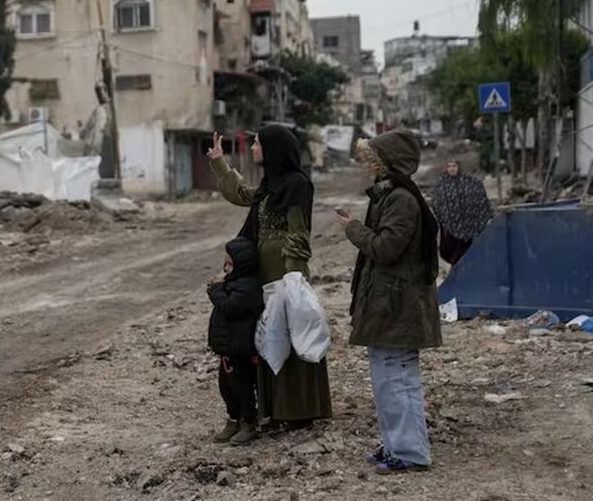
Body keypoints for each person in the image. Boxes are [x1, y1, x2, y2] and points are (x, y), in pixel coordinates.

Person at [207, 126, 333, 429]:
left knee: (291, 333)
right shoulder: (270, 185)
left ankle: (298, 411)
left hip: (284, 271)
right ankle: (274, 409)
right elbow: (243, 195)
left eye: (258, 143)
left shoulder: (297, 185)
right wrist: (219, 162)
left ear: (274, 148)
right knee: (268, 335)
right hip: (265, 270)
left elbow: (298, 232)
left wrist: (292, 276)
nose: (252, 148)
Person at [336, 130, 442, 475]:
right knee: (388, 379)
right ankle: (396, 445)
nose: (368, 167)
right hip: (389, 304)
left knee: (397, 379)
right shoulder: (391, 196)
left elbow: (385, 248)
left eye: (372, 160)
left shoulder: (401, 200)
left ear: (387, 163)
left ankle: (410, 452)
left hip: (399, 305)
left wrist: (353, 229)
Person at [207, 238, 265, 446]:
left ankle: (248, 423)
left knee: (242, 388)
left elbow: (229, 307)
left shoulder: (248, 287)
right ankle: (233, 419)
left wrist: (215, 289)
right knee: (226, 387)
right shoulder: (233, 284)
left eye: (230, 264)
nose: (225, 268)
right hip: (227, 348)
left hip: (240, 349)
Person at [431, 159, 493, 265]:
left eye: (454, 166)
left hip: (469, 225)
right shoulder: (441, 184)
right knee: (450, 252)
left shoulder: (469, 182)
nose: (451, 169)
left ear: (458, 167)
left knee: (468, 252)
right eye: (449, 166)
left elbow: (478, 197)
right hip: (450, 226)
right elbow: (437, 202)